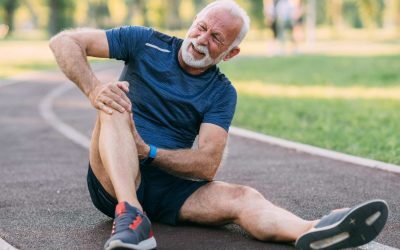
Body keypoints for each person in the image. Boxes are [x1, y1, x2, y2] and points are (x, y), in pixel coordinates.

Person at [49, 1, 388, 249]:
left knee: (243, 196)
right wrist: (94, 89)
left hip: (170, 188)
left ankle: (315, 229)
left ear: (231, 53)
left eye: (216, 38)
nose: (201, 39)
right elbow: (64, 42)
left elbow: (207, 165)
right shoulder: (144, 41)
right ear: (193, 21)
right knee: (114, 101)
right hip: (111, 179)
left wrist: (147, 151)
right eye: (201, 27)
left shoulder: (222, 93)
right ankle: (131, 215)